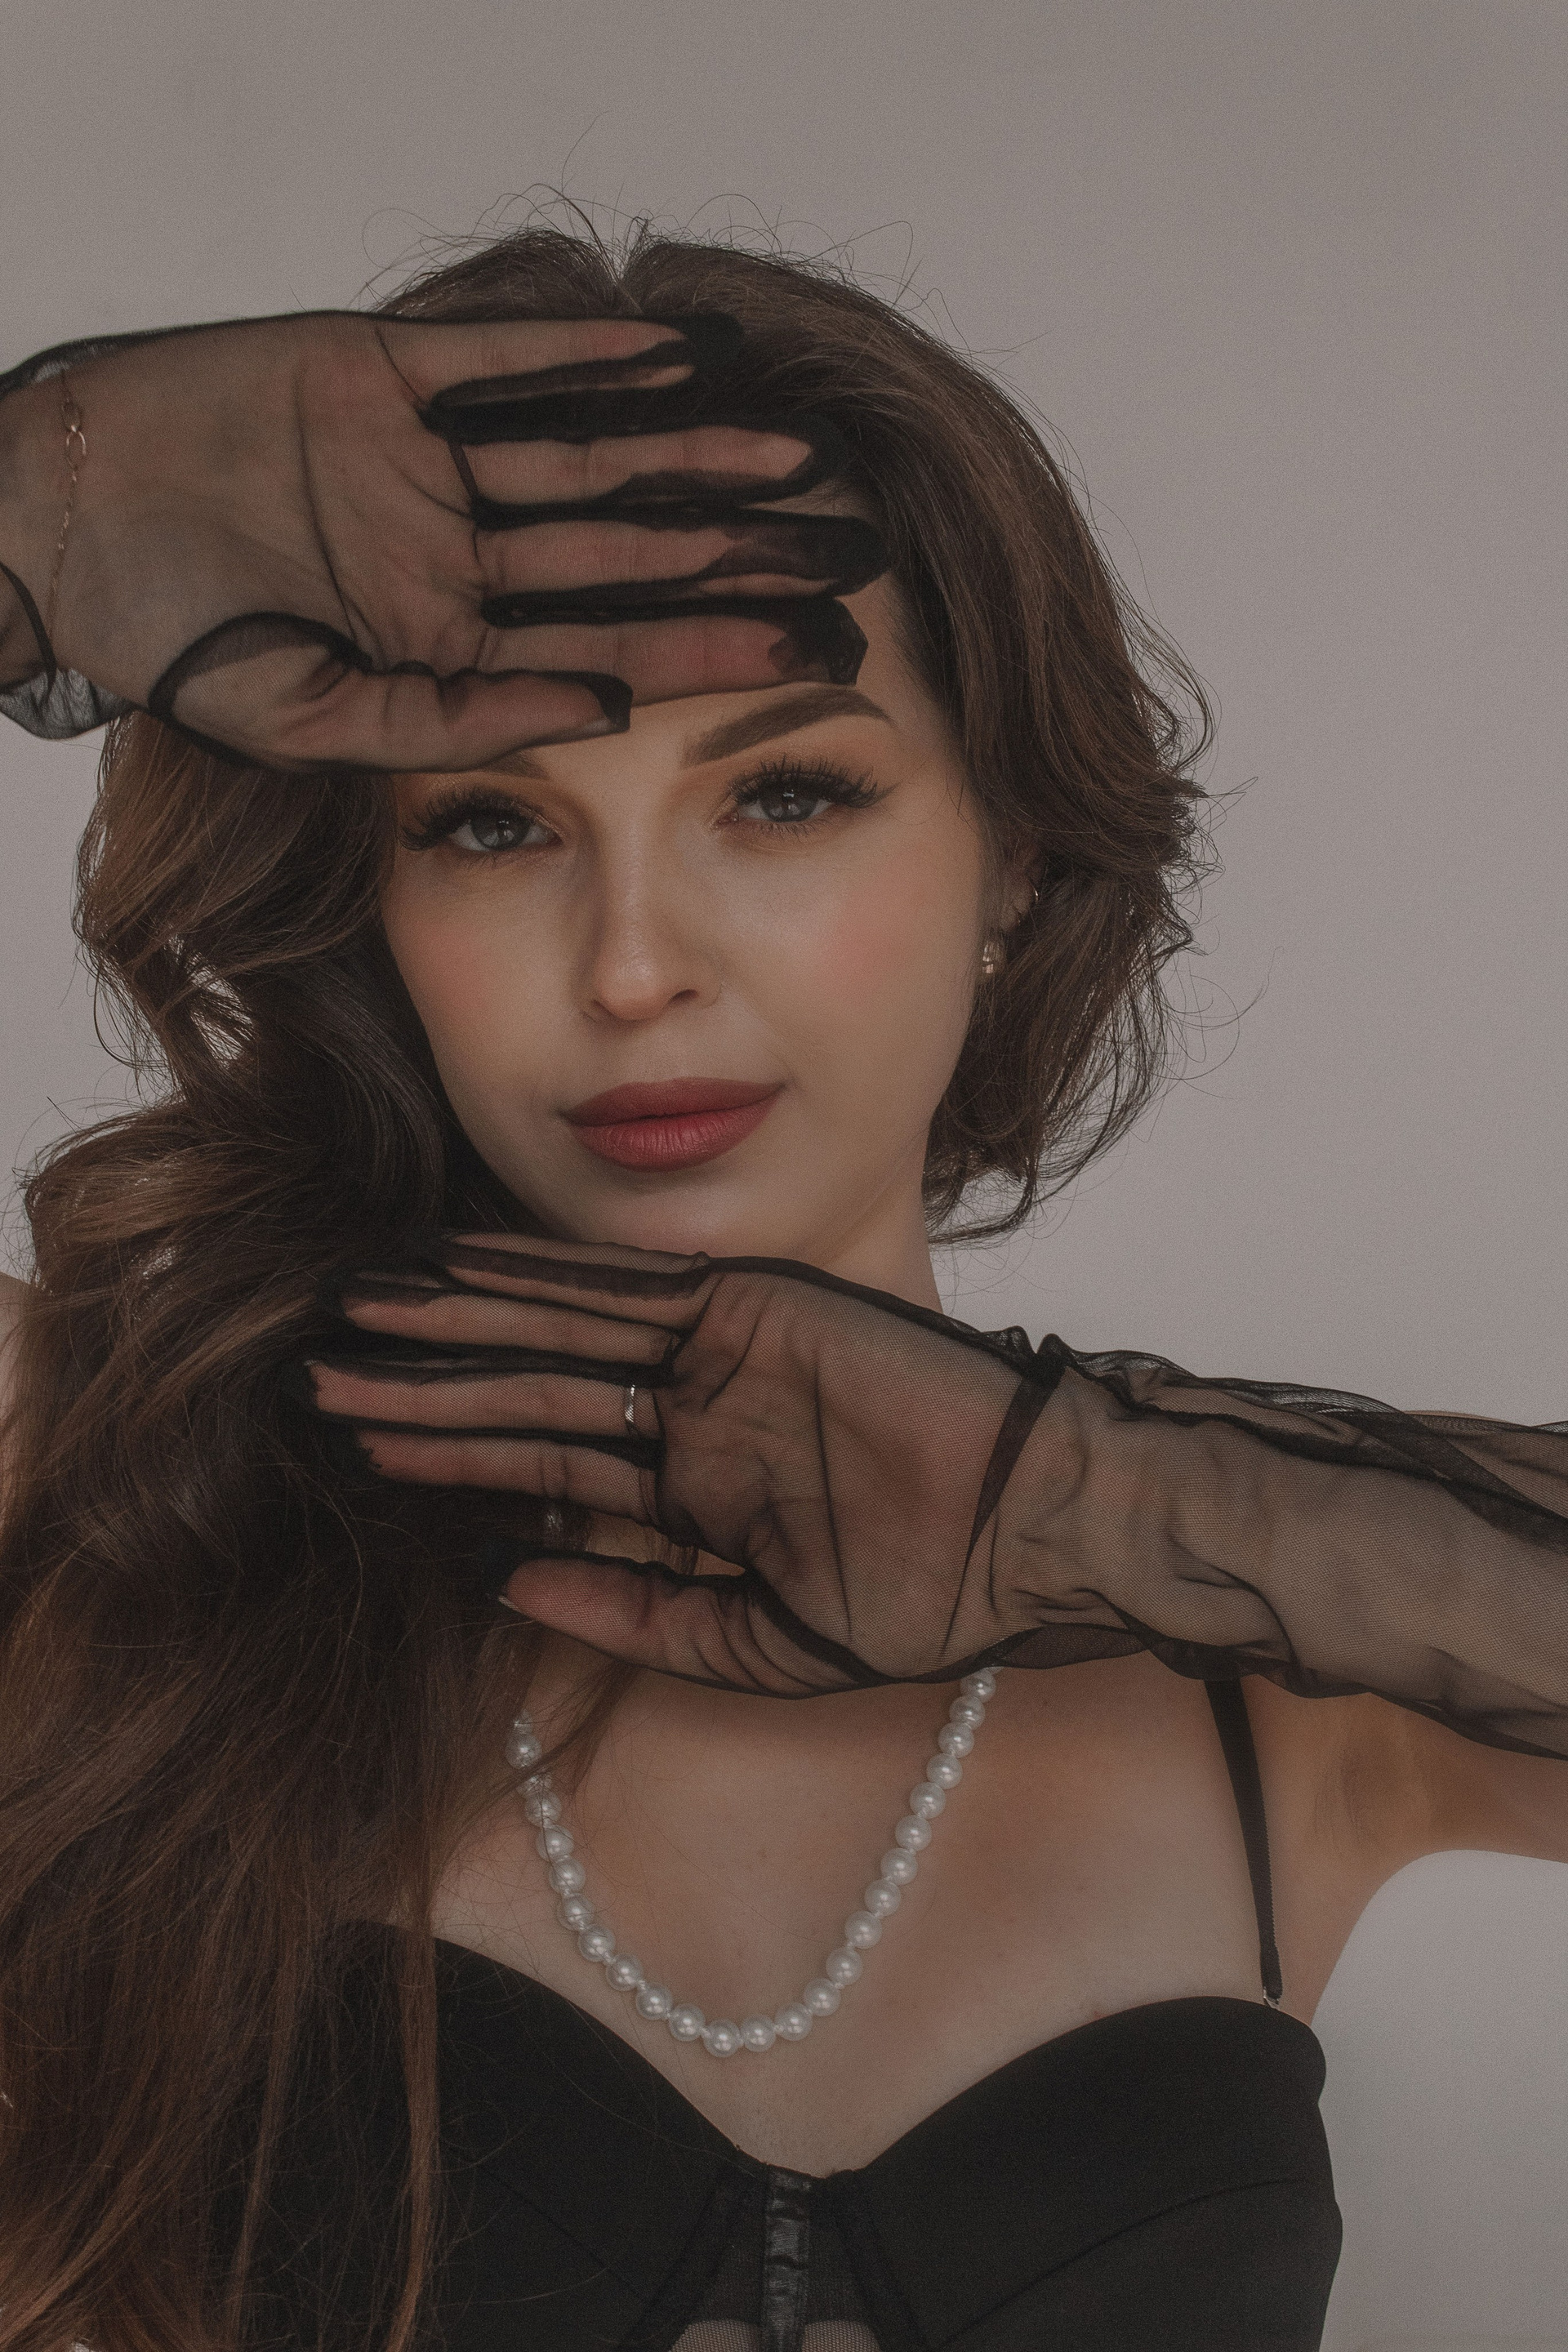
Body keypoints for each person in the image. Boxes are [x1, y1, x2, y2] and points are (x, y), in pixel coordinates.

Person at [0, 220, 1562, 2352]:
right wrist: (29, 516)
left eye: (786, 792)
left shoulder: (1288, 1663)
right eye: (490, 826)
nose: (636, 963)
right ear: (367, 898)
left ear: (1015, 846)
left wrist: (1111, 1509)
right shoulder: (101, 1499)